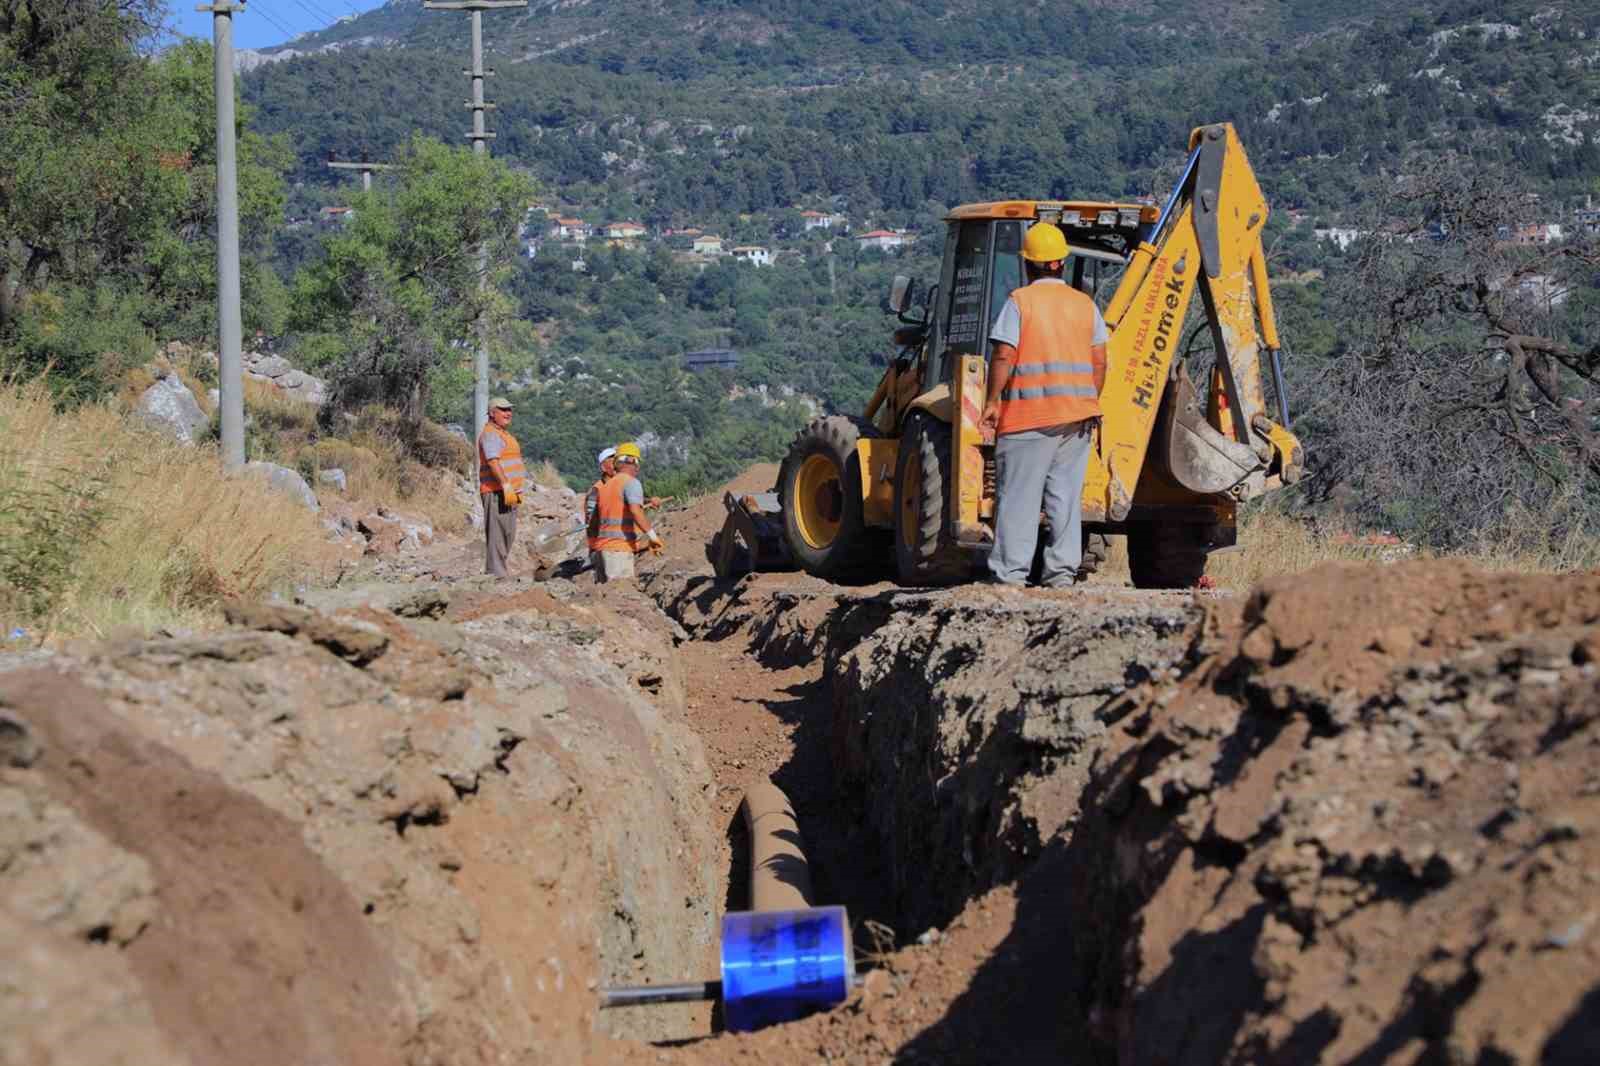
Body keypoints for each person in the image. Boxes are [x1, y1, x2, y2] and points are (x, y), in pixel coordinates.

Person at [979, 222, 1108, 588]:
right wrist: (1088, 398)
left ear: (1028, 264)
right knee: (1065, 500)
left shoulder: (1020, 302)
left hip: (1028, 420)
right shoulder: (1085, 305)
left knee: (1018, 498)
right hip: (1077, 420)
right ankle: (1061, 576)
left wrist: (992, 400)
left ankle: (1010, 576)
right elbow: (1100, 361)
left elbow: (1004, 353)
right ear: (1061, 263)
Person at [592, 441, 663, 582]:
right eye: (637, 462)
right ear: (631, 460)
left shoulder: (605, 487)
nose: (638, 467)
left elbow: (617, 511)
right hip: (618, 551)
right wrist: (653, 537)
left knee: (605, 598)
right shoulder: (631, 482)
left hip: (602, 550)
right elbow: (636, 511)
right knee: (620, 597)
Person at [477, 396, 526, 577]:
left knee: (507, 535)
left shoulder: (503, 434)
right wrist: (505, 485)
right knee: (498, 536)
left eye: (509, 410)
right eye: (503, 410)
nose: (508, 413)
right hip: (497, 492)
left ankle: (499, 572)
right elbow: (493, 461)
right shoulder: (491, 433)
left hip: (508, 493)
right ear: (491, 413)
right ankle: (496, 576)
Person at [585, 446, 617, 571]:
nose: (617, 465)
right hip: (601, 547)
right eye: (612, 461)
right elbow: (591, 524)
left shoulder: (620, 486)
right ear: (603, 467)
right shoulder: (595, 492)